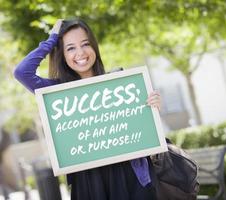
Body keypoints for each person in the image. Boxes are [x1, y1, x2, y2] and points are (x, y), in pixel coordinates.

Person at [14, 19, 161, 200]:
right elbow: (22, 72)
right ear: (62, 54)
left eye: (85, 44)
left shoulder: (119, 81)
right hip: (88, 180)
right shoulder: (56, 91)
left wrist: (151, 106)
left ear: (94, 47)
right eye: (70, 48)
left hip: (128, 174)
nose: (80, 53)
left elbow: (141, 128)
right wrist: (52, 39)